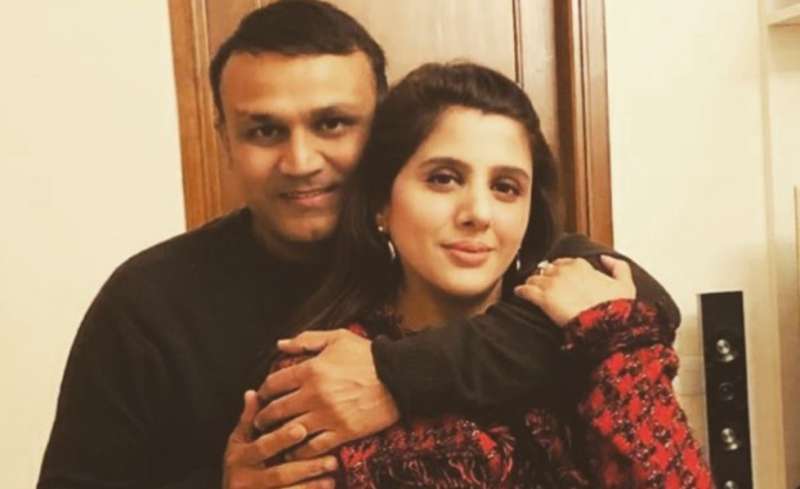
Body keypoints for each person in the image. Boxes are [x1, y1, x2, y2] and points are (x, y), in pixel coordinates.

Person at [37, 1, 683, 488]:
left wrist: (394, 377)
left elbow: (637, 301)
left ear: (383, 135)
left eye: (333, 123)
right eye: (264, 131)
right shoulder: (148, 305)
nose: (300, 161)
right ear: (225, 140)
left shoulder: (470, 258)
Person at [253, 61, 713, 488]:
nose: (478, 212)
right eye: (443, 178)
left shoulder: (593, 338)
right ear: (381, 204)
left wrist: (614, 341)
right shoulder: (321, 375)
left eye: (505, 188)